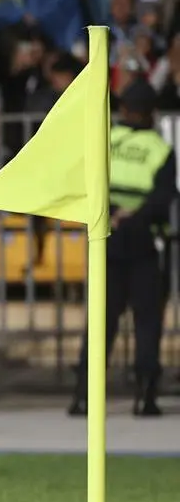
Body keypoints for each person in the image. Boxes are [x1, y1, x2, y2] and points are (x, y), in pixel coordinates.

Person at [70, 79, 176, 417]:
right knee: (146, 322)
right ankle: (145, 395)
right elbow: (164, 197)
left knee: (100, 321)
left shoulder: (106, 140)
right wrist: (136, 214)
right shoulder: (160, 149)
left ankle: (84, 396)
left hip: (107, 237)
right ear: (151, 113)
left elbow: (85, 181)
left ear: (124, 109)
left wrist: (112, 212)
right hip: (144, 240)